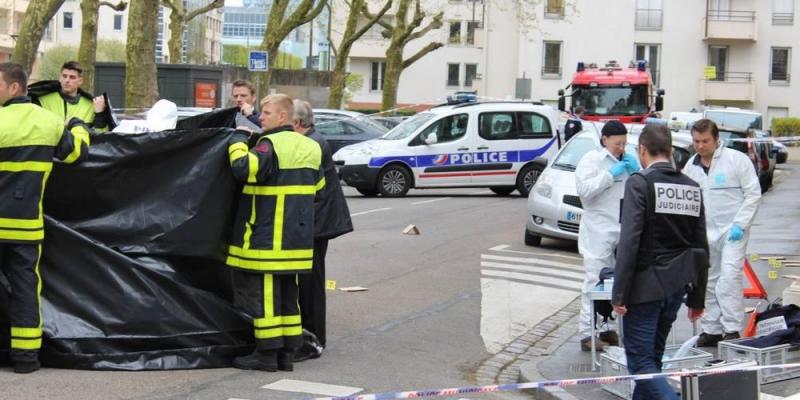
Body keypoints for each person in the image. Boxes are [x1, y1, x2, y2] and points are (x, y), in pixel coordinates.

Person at [0, 62, 90, 373]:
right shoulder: (49, 122)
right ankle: (26, 359)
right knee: (25, 292)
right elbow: (77, 153)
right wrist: (79, 125)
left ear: (14, 87)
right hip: (26, 227)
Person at [226, 93, 324, 372]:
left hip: (268, 236)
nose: (260, 118)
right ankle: (287, 355)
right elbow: (319, 189)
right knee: (287, 295)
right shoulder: (311, 147)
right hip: (297, 238)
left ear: (283, 116)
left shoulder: (269, 144)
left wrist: (236, 142)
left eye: (266, 113)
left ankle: (267, 355)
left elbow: (245, 169)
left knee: (266, 297)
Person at [612, 124, 709, 400]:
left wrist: (619, 293)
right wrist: (697, 298)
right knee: (652, 360)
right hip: (676, 288)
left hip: (644, 289)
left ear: (642, 150)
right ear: (670, 151)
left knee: (641, 366)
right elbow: (701, 245)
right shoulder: (691, 187)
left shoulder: (639, 183)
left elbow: (629, 241)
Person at [683, 119, 761, 347]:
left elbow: (753, 194)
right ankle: (712, 329)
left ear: (717, 139)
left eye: (705, 141)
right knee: (709, 280)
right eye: (696, 141)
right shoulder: (691, 167)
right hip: (705, 233)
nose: (700, 146)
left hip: (732, 231)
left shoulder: (736, 161)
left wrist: (741, 224)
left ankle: (732, 328)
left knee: (729, 277)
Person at [291, 100, 353, 361]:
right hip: (319, 221)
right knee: (308, 281)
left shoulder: (312, 145)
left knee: (311, 283)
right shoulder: (313, 139)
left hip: (317, 224)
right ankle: (311, 335)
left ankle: (314, 339)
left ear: (297, 123)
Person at [574, 120, 639, 351]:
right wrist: (610, 175)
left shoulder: (627, 161)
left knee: (614, 283)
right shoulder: (592, 161)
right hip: (598, 230)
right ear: (605, 141)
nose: (621, 148)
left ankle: (605, 328)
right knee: (594, 280)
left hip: (621, 229)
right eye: (617, 143)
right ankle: (586, 333)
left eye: (624, 143)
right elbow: (584, 191)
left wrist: (636, 173)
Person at [30, 61, 114, 131]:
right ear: (60, 78)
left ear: (80, 81)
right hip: (51, 150)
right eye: (64, 76)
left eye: (72, 77)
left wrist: (100, 114)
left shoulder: (90, 105)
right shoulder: (43, 100)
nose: (67, 80)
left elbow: (100, 139)